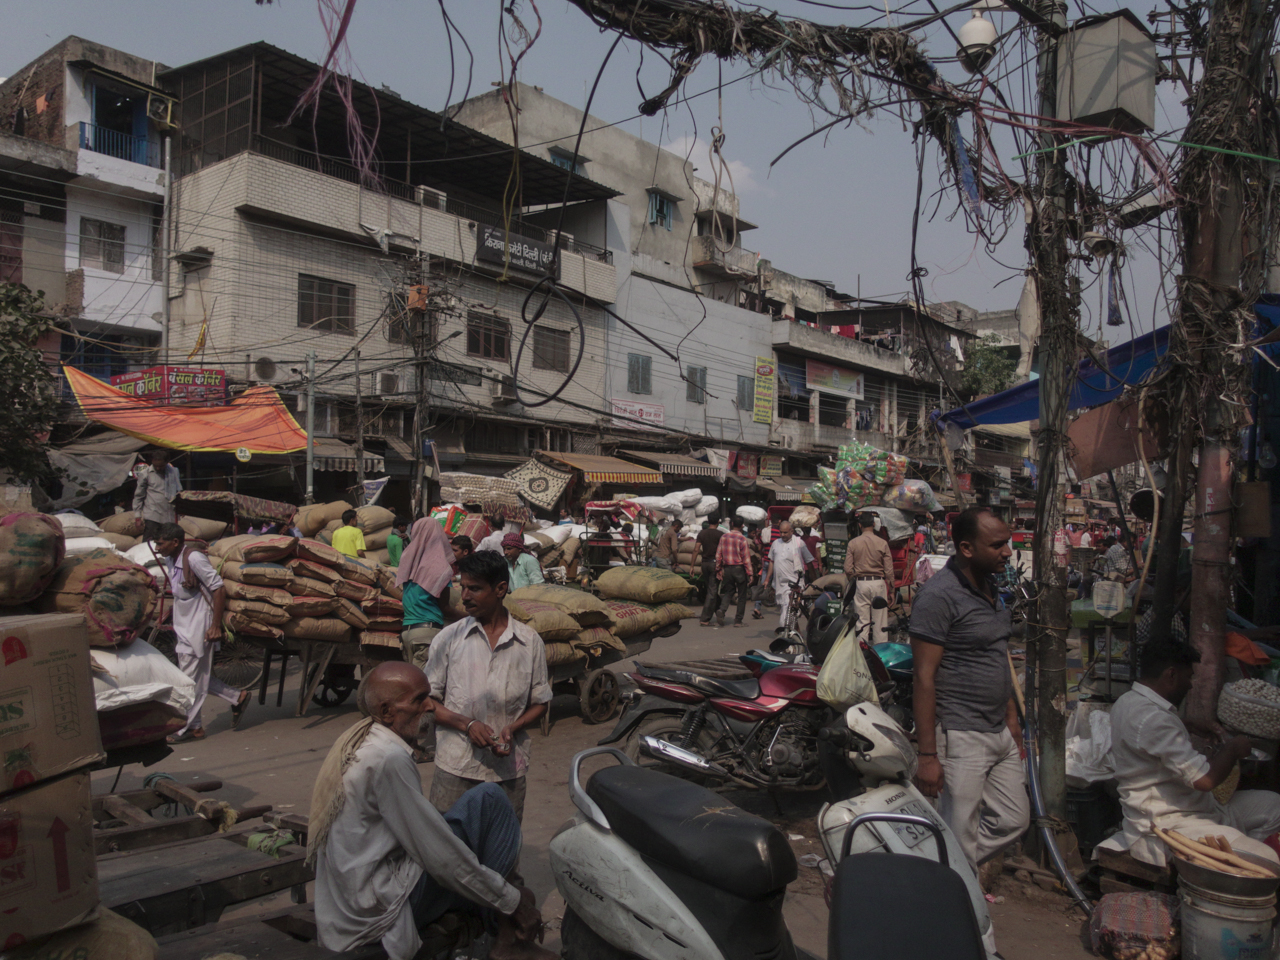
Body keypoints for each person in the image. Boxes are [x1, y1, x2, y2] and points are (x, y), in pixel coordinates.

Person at [310, 661, 552, 960]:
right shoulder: (389, 759)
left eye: (429, 697)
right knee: (492, 803)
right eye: (419, 700)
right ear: (387, 712)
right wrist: (511, 901)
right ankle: (503, 932)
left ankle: (497, 918)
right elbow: (437, 854)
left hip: (355, 892)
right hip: (377, 905)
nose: (430, 707)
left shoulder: (366, 739)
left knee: (484, 800)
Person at [909, 507, 1029, 880]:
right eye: (998, 545)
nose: (1007, 552)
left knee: (1014, 819)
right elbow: (924, 677)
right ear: (966, 548)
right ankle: (963, 913)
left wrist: (1011, 719)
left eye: (1007, 543)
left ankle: (938, 867)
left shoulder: (990, 587)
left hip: (998, 730)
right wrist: (928, 755)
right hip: (960, 733)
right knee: (959, 834)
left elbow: (997, 657)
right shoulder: (938, 596)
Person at [1097, 640, 1280, 866]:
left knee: (1274, 806)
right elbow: (1204, 780)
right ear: (1171, 674)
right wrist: (1233, 749)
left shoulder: (1128, 701)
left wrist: (1186, 724)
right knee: (1269, 859)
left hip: (1199, 808)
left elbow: (1146, 737)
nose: (1191, 685)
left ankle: (1235, 867)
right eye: (1188, 677)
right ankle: (1235, 867)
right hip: (1171, 824)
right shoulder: (1154, 719)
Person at [425, 551, 551, 821]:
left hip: (507, 772)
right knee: (448, 847)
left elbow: (540, 702)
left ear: (500, 589)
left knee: (500, 852)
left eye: (475, 588)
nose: (465, 596)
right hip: (455, 767)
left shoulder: (529, 642)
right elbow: (427, 702)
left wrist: (512, 728)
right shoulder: (448, 639)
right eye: (463, 587)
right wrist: (467, 725)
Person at [152, 523, 249, 742]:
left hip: (199, 625)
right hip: (184, 623)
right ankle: (235, 697)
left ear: (175, 542)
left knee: (188, 677)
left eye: (160, 543)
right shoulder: (171, 558)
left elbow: (218, 588)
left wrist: (214, 626)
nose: (157, 548)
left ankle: (185, 727)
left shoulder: (194, 559)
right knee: (195, 676)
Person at [398, 518, 462, 670]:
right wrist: (471, 616)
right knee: (425, 687)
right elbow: (445, 608)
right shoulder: (439, 567)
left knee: (412, 684)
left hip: (406, 631)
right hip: (426, 634)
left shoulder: (408, 560)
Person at [844, 513, 894, 644]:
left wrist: (853, 579)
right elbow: (889, 570)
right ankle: (881, 656)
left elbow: (848, 569)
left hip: (861, 584)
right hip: (878, 583)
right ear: (874, 524)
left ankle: (862, 655)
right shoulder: (882, 543)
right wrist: (892, 590)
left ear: (859, 525)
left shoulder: (853, 543)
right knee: (880, 624)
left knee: (861, 623)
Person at [763, 521, 814, 630]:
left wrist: (814, 582)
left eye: (785, 532)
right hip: (779, 584)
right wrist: (767, 579)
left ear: (792, 531)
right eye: (781, 532)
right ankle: (796, 635)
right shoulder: (776, 543)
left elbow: (809, 562)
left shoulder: (799, 543)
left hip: (794, 585)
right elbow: (772, 561)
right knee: (788, 611)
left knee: (787, 613)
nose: (783, 535)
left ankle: (785, 632)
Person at [710, 516, 753, 627]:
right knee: (742, 595)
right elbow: (746, 558)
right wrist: (750, 573)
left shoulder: (724, 537)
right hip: (739, 569)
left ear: (732, 523)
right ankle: (738, 621)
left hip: (727, 568)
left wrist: (718, 568)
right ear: (742, 526)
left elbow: (718, 555)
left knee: (729, 591)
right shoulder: (742, 539)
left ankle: (722, 610)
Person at [132, 450, 182, 541]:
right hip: (153, 515)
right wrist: (137, 516)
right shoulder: (145, 474)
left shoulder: (173, 472)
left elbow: (178, 491)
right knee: (149, 543)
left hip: (169, 515)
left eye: (161, 466)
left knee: (168, 543)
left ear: (167, 462)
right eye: (156, 466)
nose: (158, 468)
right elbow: (138, 496)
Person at [695, 520, 724, 621]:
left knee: (711, 589)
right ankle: (705, 618)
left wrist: (692, 565)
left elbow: (696, 549)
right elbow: (723, 551)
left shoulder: (702, 533)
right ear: (718, 522)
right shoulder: (721, 535)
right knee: (712, 590)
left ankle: (719, 610)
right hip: (715, 564)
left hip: (705, 564)